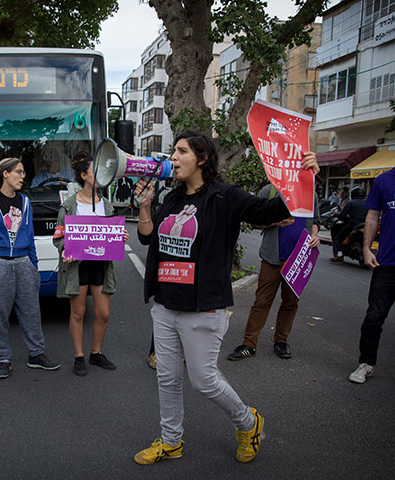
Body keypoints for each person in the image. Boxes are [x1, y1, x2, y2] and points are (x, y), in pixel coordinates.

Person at [132, 131, 320, 464]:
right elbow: (148, 237)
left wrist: (303, 179)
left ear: (202, 158)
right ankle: (171, 440)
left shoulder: (226, 196)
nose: (172, 157)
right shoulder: (172, 198)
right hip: (164, 304)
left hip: (203, 307)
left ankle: (249, 422)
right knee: (167, 377)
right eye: (173, 151)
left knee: (204, 381)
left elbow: (270, 210)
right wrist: (145, 207)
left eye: (181, 151)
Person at [0, 157, 60, 379]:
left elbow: (30, 236)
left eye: (23, 173)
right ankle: (3, 359)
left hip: (24, 264)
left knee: (31, 313)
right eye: (19, 172)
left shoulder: (24, 201)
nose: (23, 177)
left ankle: (36, 354)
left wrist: (34, 266)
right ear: (5, 173)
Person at [53, 152, 128, 376]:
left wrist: (120, 235)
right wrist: (65, 249)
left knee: (103, 313)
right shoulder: (68, 205)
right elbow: (59, 237)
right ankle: (79, 356)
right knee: (78, 313)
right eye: (96, 171)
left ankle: (96, 353)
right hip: (78, 266)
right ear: (84, 175)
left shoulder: (106, 204)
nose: (101, 175)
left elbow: (110, 233)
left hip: (101, 265)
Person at [228, 185, 320, 361]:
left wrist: (314, 235)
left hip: (298, 259)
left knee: (290, 303)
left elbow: (315, 220)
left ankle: (281, 341)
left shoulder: (310, 191)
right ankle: (249, 344)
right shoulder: (269, 191)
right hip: (272, 257)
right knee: (262, 301)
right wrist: (275, 222)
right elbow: (254, 221)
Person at [348, 167, 395, 383]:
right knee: (373, 318)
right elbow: (372, 216)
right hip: (386, 264)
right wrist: (366, 249)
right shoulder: (383, 181)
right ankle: (366, 363)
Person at [331, 185, 368, 262]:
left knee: (338, 238)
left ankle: (339, 255)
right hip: (365, 226)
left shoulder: (351, 203)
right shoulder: (367, 203)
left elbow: (342, 215)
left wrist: (336, 213)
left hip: (353, 226)